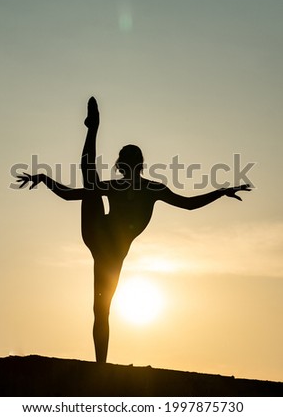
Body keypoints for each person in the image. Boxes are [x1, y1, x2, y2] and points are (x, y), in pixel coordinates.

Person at [17, 96, 251, 363]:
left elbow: (188, 204)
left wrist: (220, 192)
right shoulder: (139, 188)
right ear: (136, 165)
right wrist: (221, 192)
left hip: (105, 245)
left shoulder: (147, 189)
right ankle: (92, 128)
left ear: (129, 165)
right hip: (102, 237)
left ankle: (100, 367)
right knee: (101, 308)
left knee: (101, 308)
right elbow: (188, 205)